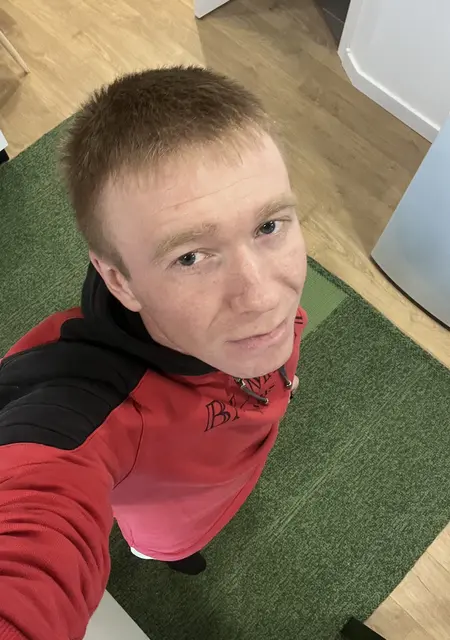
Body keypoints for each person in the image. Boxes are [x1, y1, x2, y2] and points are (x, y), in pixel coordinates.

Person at [0, 66, 308, 640]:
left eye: (268, 225)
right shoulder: (87, 402)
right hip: (167, 523)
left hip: (231, 476)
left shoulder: (245, 313)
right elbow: (29, 526)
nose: (264, 297)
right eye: (190, 257)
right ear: (120, 280)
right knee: (167, 548)